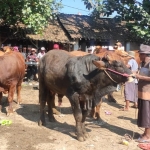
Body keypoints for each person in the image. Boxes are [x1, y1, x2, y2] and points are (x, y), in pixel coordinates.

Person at [133, 44, 150, 146]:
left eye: (140, 54)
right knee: (143, 114)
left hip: (148, 94)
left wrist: (139, 76)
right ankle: (145, 133)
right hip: (142, 93)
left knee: (147, 115)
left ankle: (148, 136)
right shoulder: (144, 63)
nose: (139, 56)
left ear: (144, 54)